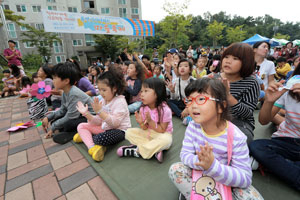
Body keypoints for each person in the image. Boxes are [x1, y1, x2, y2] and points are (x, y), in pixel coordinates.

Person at [168, 78, 262, 200]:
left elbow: (245, 179)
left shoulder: (236, 137)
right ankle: (196, 194)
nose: (193, 105)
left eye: (201, 99)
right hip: (201, 176)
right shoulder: (193, 127)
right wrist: (202, 162)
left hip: (226, 180)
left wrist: (213, 166)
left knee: (251, 197)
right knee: (175, 170)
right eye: (190, 101)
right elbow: (185, 155)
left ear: (221, 107)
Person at [249, 64, 300, 190]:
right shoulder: (288, 91)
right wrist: (269, 101)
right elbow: (263, 121)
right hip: (287, 141)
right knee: (257, 147)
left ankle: (282, 167)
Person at [74, 66, 131, 162]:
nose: (101, 93)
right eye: (99, 90)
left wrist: (100, 112)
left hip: (120, 131)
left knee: (100, 138)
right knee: (81, 126)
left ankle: (88, 138)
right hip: (105, 127)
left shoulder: (120, 101)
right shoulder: (104, 101)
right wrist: (86, 114)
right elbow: (98, 121)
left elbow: (115, 123)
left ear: (114, 88)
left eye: (104, 90)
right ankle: (92, 147)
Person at [117, 78, 173, 163]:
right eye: (142, 91)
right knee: (129, 132)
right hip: (149, 134)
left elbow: (162, 130)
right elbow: (144, 128)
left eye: (146, 91)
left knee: (166, 140)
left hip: (161, 134)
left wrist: (151, 121)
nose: (142, 94)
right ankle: (154, 151)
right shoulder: (144, 108)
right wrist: (141, 123)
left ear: (157, 93)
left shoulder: (165, 110)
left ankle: (136, 150)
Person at [41, 62, 94, 143]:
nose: (53, 81)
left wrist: (53, 127)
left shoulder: (74, 94)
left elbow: (70, 116)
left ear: (66, 81)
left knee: (67, 124)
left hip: (92, 118)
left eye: (55, 78)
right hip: (79, 115)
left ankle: (76, 133)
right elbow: (62, 110)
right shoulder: (65, 92)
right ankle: (71, 131)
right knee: (56, 122)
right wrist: (48, 118)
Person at [219, 43, 260, 144]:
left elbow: (247, 113)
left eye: (235, 58)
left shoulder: (251, 82)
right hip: (216, 118)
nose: (228, 61)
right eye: (226, 57)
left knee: (242, 139)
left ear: (246, 62)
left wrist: (227, 95)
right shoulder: (214, 78)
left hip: (239, 121)